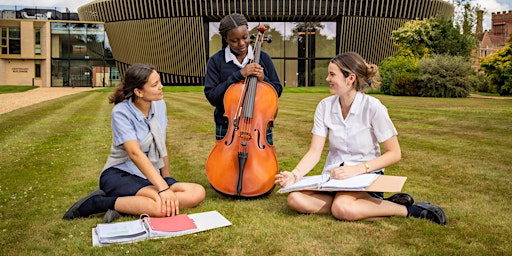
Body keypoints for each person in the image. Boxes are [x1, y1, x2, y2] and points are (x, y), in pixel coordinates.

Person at [275, 52, 447, 225]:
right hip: (334, 178)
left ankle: (411, 210)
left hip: (365, 176)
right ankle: (368, 206)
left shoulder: (373, 107)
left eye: (332, 74)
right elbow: (314, 152)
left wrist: (358, 169)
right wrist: (295, 175)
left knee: (343, 207)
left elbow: (394, 153)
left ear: (350, 78)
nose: (327, 79)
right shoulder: (324, 106)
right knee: (295, 199)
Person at [63, 64, 205, 223]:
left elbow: (160, 142)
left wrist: (166, 178)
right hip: (120, 174)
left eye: (159, 82)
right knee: (159, 205)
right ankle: (98, 203)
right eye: (155, 84)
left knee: (197, 192)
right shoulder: (121, 112)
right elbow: (134, 153)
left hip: (150, 175)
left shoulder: (159, 105)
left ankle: (127, 205)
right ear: (138, 92)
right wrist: (164, 189)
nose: (161, 86)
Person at [204, 13, 283, 142]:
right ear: (225, 39)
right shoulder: (216, 61)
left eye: (245, 37)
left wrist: (264, 79)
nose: (241, 43)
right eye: (234, 41)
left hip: (258, 128)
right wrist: (239, 74)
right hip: (228, 128)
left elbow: (277, 91)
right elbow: (213, 97)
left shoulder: (263, 58)